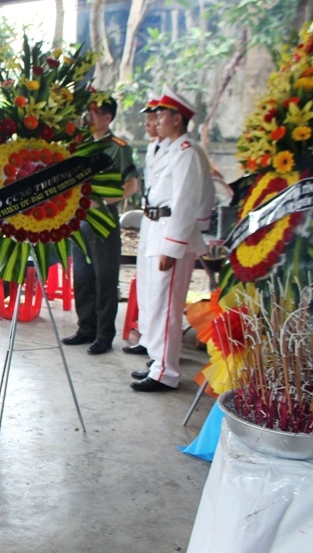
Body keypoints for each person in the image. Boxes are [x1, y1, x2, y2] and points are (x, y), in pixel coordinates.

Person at [130, 86, 215, 392]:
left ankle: (166, 372)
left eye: (161, 114)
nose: (156, 120)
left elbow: (186, 203)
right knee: (155, 301)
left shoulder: (187, 152)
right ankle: (158, 360)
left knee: (166, 306)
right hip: (157, 229)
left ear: (177, 119)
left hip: (171, 235)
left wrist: (173, 246)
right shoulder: (170, 149)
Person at [62, 97, 138, 354]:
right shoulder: (81, 144)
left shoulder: (118, 148)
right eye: (89, 111)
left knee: (104, 278)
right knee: (82, 277)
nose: (90, 116)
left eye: (96, 113)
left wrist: (102, 201)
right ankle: (86, 328)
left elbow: (131, 185)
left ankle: (104, 334)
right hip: (80, 219)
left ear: (108, 118)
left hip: (103, 219)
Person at [124, 91, 165, 357]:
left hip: (166, 225)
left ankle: (162, 358)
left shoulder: (184, 151)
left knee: (162, 293)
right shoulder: (153, 148)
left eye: (154, 118)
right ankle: (148, 340)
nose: (150, 124)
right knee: (147, 285)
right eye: (149, 119)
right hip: (150, 222)